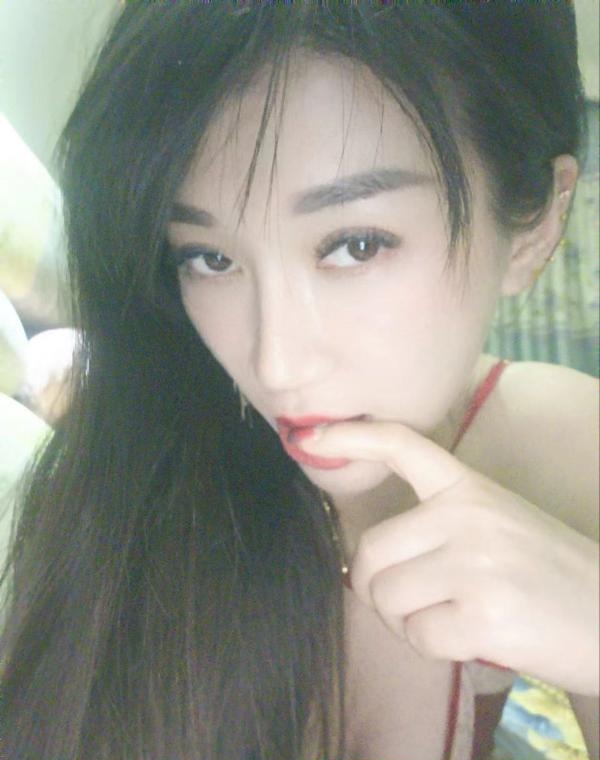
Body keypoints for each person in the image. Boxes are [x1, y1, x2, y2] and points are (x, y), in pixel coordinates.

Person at [0, 3, 598, 759]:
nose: (274, 365)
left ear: (536, 226)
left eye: (356, 245)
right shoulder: (125, 472)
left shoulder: (567, 451)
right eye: (209, 258)